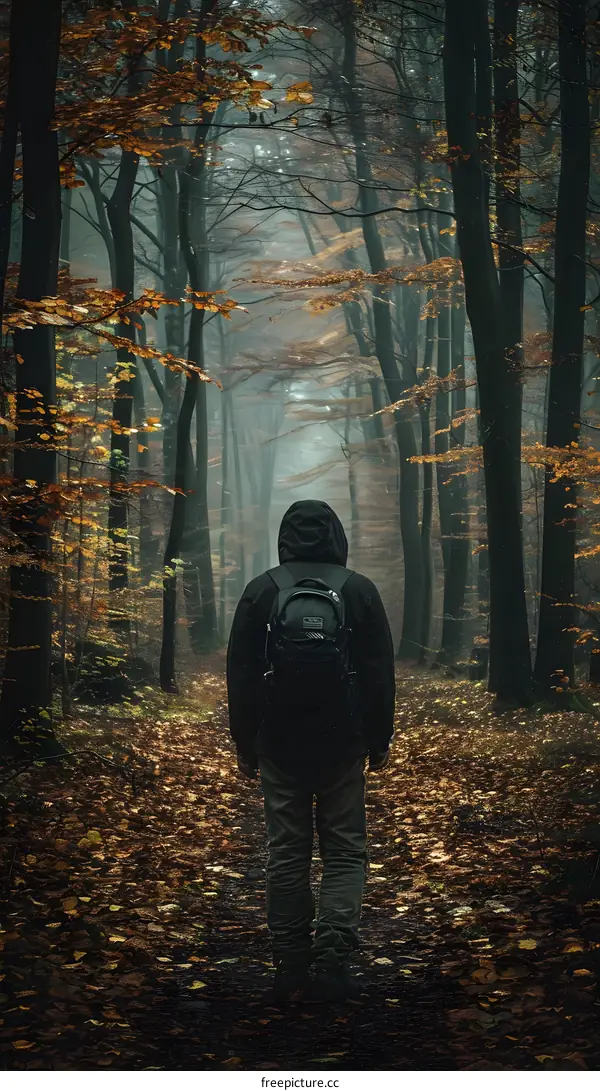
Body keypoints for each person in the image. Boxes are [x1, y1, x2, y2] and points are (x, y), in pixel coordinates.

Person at [226, 499, 395, 1003]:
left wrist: (245, 743)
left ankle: (290, 967)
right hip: (342, 742)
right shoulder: (359, 590)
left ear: (285, 536)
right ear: (336, 536)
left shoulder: (262, 589)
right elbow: (379, 673)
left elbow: (240, 673)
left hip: (278, 742)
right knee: (345, 851)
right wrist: (378, 737)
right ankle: (333, 960)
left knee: (287, 852)